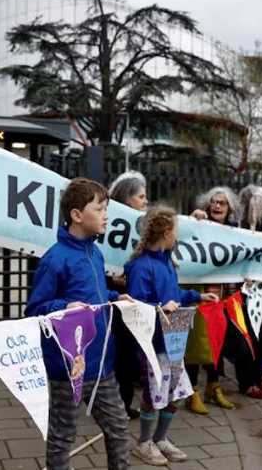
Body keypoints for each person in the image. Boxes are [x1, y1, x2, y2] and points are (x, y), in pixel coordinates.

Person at [26, 178, 131, 470]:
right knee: (62, 437)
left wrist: (114, 296)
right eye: (99, 208)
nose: (106, 215)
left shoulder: (95, 253)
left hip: (101, 366)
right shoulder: (55, 259)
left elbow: (92, 295)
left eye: (106, 208)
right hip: (67, 369)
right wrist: (63, 307)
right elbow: (35, 311)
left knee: (119, 428)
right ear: (76, 215)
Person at [124, 206, 218, 465]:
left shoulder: (168, 263)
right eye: (176, 230)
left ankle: (160, 438)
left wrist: (198, 296)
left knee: (174, 392)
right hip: (152, 345)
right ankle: (143, 443)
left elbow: (174, 294)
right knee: (152, 395)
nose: (178, 236)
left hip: (172, 344)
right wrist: (159, 308)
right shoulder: (141, 267)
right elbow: (136, 306)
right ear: (166, 233)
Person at [185, 186, 240, 413]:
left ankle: (213, 386)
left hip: (222, 296)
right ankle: (192, 391)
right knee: (197, 343)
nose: (218, 206)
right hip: (200, 294)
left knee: (217, 342)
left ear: (230, 208)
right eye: (214, 202)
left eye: (222, 203)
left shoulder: (236, 233)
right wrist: (193, 220)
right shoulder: (198, 225)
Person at [107, 170, 148, 419]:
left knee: (129, 354)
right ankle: (115, 403)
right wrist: (110, 278)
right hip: (115, 299)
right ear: (127, 199)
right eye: (141, 196)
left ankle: (124, 402)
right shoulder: (108, 223)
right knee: (119, 353)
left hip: (135, 297)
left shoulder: (144, 223)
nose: (145, 201)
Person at [234, 185, 262, 399]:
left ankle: (257, 377)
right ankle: (247, 381)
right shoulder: (236, 226)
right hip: (244, 292)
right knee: (248, 336)